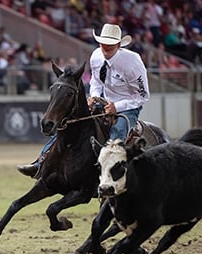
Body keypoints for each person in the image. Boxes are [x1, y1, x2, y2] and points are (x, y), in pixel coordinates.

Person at [17, 23, 150, 178]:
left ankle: (112, 176)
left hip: (127, 106)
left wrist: (117, 107)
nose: (105, 49)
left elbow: (142, 96)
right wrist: (93, 96)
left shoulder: (133, 63)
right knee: (68, 123)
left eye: (110, 46)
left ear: (119, 45)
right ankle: (40, 163)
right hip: (103, 101)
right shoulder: (96, 56)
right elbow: (96, 81)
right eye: (103, 44)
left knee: (118, 131)